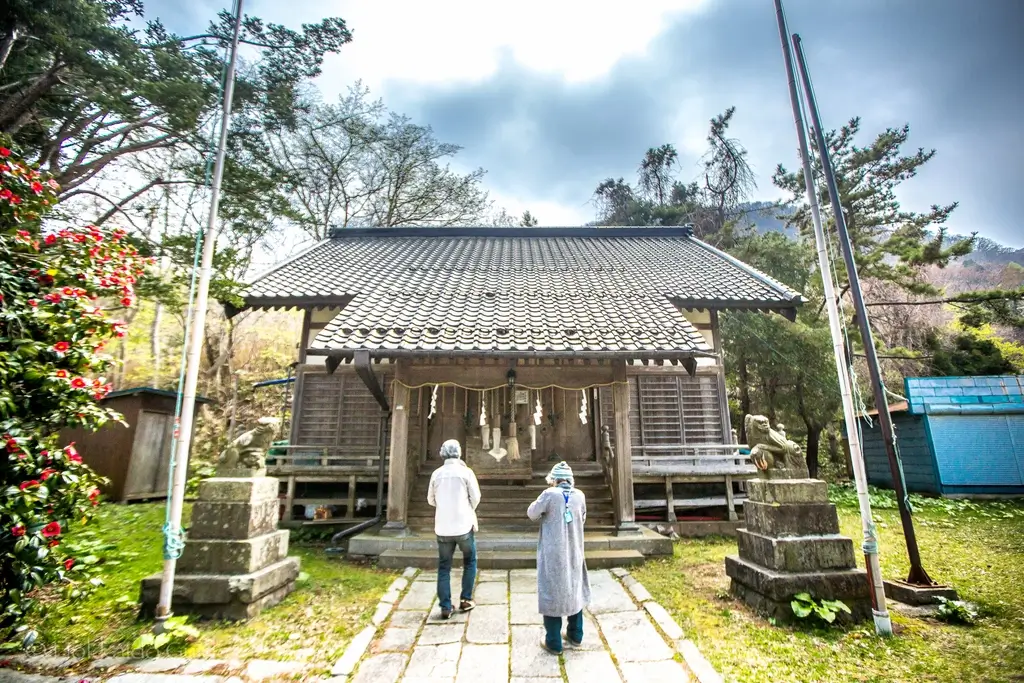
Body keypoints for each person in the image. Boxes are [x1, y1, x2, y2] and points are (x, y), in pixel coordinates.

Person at [527, 460, 591, 654]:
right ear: (570, 480)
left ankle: (553, 641)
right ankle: (575, 634)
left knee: (552, 590)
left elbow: (532, 513)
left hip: (553, 552)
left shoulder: (549, 494)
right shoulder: (579, 495)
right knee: (574, 588)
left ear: (553, 480)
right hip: (574, 549)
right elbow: (583, 517)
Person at [427, 438, 481, 619]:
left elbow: (430, 500)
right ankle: (465, 599)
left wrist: (443, 506)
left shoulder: (436, 474)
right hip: (464, 526)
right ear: (459, 452)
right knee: (470, 561)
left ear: (442, 453)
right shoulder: (466, 473)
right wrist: (467, 508)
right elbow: (476, 497)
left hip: (443, 527)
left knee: (444, 567)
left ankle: (445, 606)